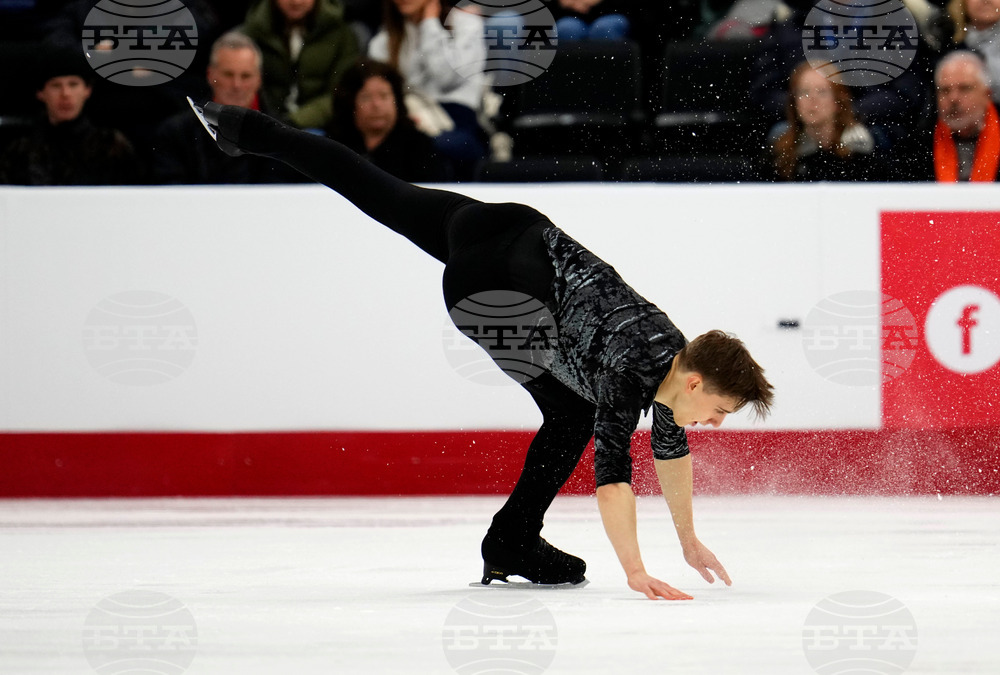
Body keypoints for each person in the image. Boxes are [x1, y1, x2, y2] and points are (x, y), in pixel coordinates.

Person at [188, 100, 775, 598]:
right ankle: (512, 540)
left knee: (376, 190)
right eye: (721, 410)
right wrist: (636, 572)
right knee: (575, 415)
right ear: (696, 383)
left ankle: (243, 126)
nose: (718, 424)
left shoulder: (676, 351)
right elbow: (614, 481)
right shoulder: (627, 374)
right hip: (493, 291)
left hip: (505, 228)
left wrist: (687, 540)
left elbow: (669, 452)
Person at [151, 31, 301, 184]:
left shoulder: (284, 136)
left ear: (259, 79)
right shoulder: (175, 134)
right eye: (228, 75)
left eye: (246, 76)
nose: (237, 85)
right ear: (210, 75)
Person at [368, 0, 488, 178]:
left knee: (429, 147)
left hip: (458, 123)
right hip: (409, 122)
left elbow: (445, 78)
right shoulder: (382, 41)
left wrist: (429, 24)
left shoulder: (467, 24)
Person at [0, 48, 140, 186]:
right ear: (41, 93)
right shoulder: (20, 152)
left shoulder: (110, 146)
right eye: (56, 85)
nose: (65, 94)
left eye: (73, 84)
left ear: (87, 90)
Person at [240, 0, 360, 130]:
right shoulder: (254, 30)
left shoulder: (341, 34)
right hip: (264, 124)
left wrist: (295, 121)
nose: (296, 2)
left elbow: (340, 93)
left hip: (322, 129)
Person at [328, 58, 451, 181]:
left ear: (397, 100)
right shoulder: (334, 146)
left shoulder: (418, 146)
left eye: (384, 96)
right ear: (350, 103)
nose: (376, 105)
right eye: (366, 97)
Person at [888, 50, 1000, 181]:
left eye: (964, 88)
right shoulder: (917, 147)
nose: (953, 98)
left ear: (987, 94)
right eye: (945, 90)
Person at [770, 63, 878, 181]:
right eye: (804, 92)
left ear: (838, 101)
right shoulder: (779, 154)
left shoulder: (861, 151)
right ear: (794, 102)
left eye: (822, 92)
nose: (812, 99)